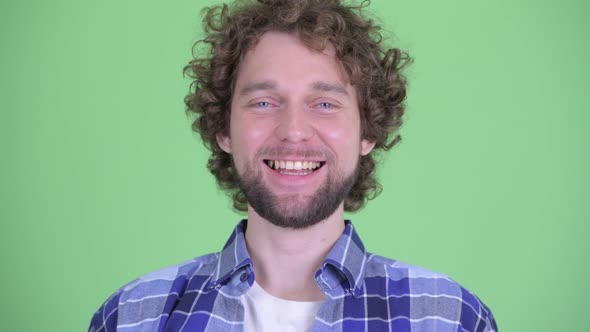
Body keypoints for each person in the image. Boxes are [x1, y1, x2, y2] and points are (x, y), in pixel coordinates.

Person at [89, 0, 497, 331]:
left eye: (324, 104)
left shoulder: (450, 318)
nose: (294, 132)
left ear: (367, 132)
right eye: (264, 102)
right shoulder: (132, 317)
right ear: (223, 129)